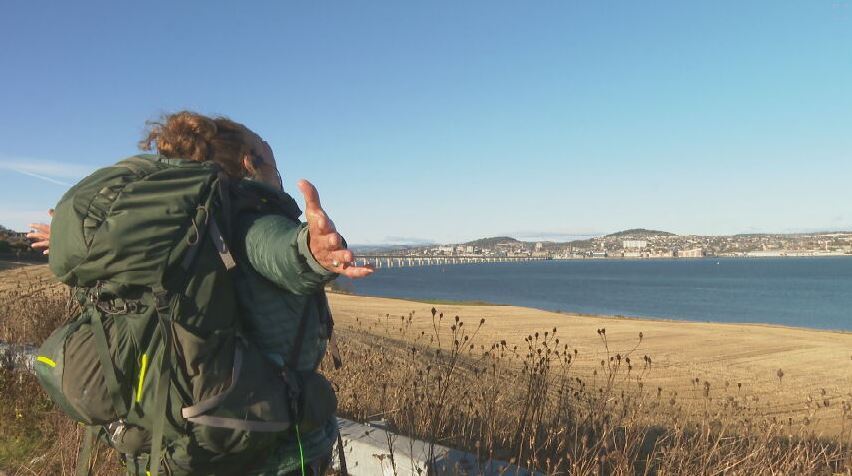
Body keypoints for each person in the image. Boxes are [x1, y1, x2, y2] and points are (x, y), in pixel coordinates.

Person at [28, 111, 373, 475]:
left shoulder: (175, 237)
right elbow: (276, 249)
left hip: (174, 445)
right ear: (249, 163)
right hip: (272, 450)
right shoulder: (250, 217)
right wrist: (312, 251)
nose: (278, 168)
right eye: (270, 155)